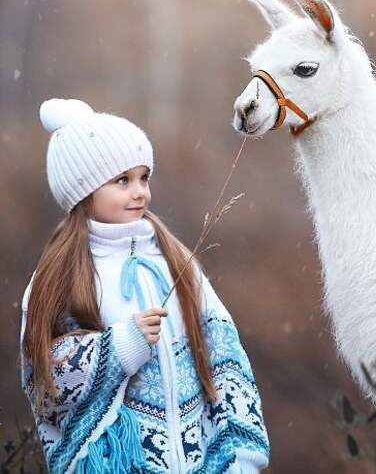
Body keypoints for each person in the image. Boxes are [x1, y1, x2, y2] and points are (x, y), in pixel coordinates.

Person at [19, 98, 269, 473]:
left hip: (203, 460)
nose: (140, 192)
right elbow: (45, 383)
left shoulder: (174, 258)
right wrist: (119, 347)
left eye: (143, 177)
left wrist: (240, 454)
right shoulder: (60, 275)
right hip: (120, 461)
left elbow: (225, 353)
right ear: (82, 191)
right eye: (122, 180)